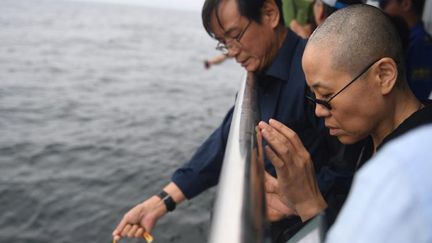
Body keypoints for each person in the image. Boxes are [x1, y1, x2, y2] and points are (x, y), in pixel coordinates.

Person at [112, 0, 358, 242]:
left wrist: (297, 197)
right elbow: (226, 137)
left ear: (271, 14)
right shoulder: (260, 72)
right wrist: (161, 201)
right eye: (223, 44)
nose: (231, 51)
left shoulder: (315, 75)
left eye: (235, 36)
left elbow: (351, 167)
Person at [258, 4, 432, 224]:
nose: (319, 110)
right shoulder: (377, 140)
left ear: (384, 76)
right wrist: (295, 206)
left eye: (326, 95)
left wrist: (309, 204)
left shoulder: (415, 170)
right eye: (314, 97)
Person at [326, 124, 432, 242]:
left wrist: (309, 203)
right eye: (314, 104)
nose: (319, 111)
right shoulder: (361, 143)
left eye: (327, 103)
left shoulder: (409, 163)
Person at [379, 0, 432, 99]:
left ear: (406, 4)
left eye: (384, 3)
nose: (381, 8)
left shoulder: (420, 43)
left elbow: (419, 93)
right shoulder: (399, 36)